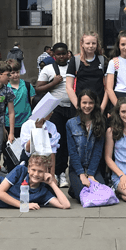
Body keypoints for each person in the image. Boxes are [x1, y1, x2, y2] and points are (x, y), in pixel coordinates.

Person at [36, 42, 75, 187]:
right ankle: (58, 172)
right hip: (56, 108)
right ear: (53, 54)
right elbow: (38, 89)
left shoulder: (73, 66)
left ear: (68, 54)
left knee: (70, 141)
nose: (61, 57)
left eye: (63, 54)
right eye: (58, 54)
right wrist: (53, 83)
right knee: (58, 141)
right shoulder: (48, 68)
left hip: (72, 107)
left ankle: (65, 172)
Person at [66, 89, 106, 202]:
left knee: (100, 193)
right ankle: (75, 186)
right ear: (79, 104)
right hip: (76, 168)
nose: (87, 106)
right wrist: (81, 175)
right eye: (84, 103)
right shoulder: (71, 123)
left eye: (90, 103)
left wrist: (91, 174)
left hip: (93, 167)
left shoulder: (100, 122)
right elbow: (72, 151)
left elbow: (98, 151)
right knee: (85, 196)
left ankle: (76, 187)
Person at [3, 58, 35, 171]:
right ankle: (11, 171)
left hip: (25, 123)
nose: (15, 75)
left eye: (17, 72)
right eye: (12, 73)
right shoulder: (4, 88)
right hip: (9, 124)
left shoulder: (27, 86)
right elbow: (1, 106)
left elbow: (32, 101)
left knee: (26, 151)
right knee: (11, 152)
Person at [66, 31, 109, 114]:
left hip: (98, 105)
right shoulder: (75, 60)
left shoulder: (103, 60)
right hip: (80, 105)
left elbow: (108, 87)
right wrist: (78, 106)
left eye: (93, 43)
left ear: (97, 45)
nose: (91, 46)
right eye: (88, 43)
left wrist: (102, 107)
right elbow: (68, 87)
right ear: (82, 44)